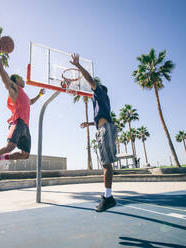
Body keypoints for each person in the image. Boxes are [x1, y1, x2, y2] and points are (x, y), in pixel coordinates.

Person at [0, 38, 45, 181]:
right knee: (10, 146)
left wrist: (39, 95)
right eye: (21, 78)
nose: (24, 80)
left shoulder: (24, 95)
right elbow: (0, 69)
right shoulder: (14, 89)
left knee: (25, 155)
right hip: (17, 123)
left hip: (26, 127)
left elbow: (31, 102)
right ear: (16, 81)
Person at [70, 53, 118, 212]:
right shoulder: (102, 101)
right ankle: (108, 195)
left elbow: (90, 80)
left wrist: (78, 66)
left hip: (106, 130)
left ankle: (108, 197)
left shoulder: (101, 92)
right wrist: (89, 123)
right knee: (106, 163)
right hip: (102, 129)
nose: (91, 93)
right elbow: (101, 117)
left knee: (107, 164)